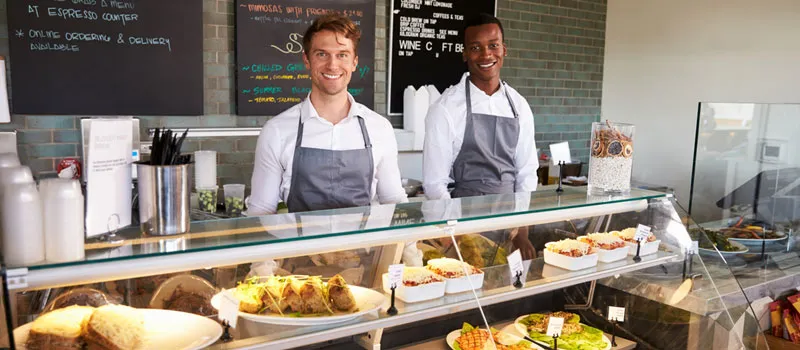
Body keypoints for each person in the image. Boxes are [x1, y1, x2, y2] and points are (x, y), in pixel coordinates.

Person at [247, 14, 422, 269]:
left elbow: (394, 201)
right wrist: (261, 267)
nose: (332, 65)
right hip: (298, 270)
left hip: (365, 266)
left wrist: (413, 257)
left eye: (342, 54)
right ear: (307, 60)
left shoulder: (379, 128)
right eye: (322, 54)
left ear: (354, 62)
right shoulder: (277, 131)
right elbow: (261, 211)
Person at [422, 13, 538, 260]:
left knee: (508, 294)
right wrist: (460, 233)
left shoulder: (519, 105)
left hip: (511, 229)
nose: (486, 55)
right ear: (464, 54)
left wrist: (522, 229)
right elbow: (434, 184)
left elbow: (527, 173)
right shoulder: (445, 108)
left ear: (504, 49)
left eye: (493, 46)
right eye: (475, 48)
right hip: (463, 228)